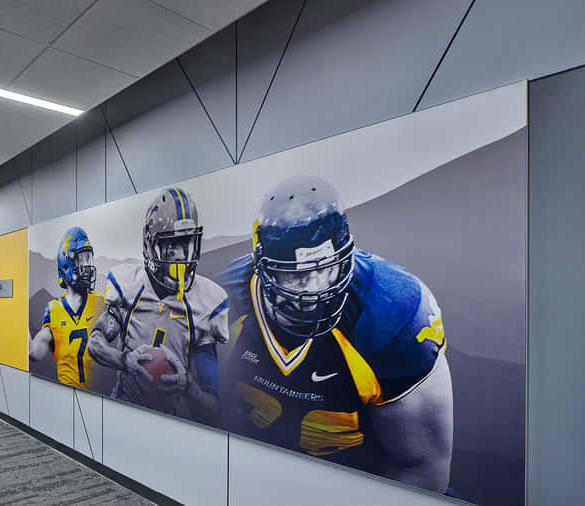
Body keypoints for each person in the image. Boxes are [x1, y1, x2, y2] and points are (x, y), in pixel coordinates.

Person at [220, 175, 453, 493]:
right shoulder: (231, 295)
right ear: (263, 268)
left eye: (325, 268)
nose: (316, 289)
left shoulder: (389, 312)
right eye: (296, 275)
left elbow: (419, 468)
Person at [88, 187, 230, 425]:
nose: (181, 255)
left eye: (187, 244)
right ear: (150, 244)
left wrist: (187, 385)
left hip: (170, 422)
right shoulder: (129, 286)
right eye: (172, 245)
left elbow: (211, 406)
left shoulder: (206, 303)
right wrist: (125, 361)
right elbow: (95, 342)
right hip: (122, 409)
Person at [30, 227, 105, 388]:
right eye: (81, 260)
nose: (87, 266)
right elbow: (35, 352)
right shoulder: (54, 310)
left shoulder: (101, 301)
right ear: (67, 264)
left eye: (88, 259)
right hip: (67, 390)